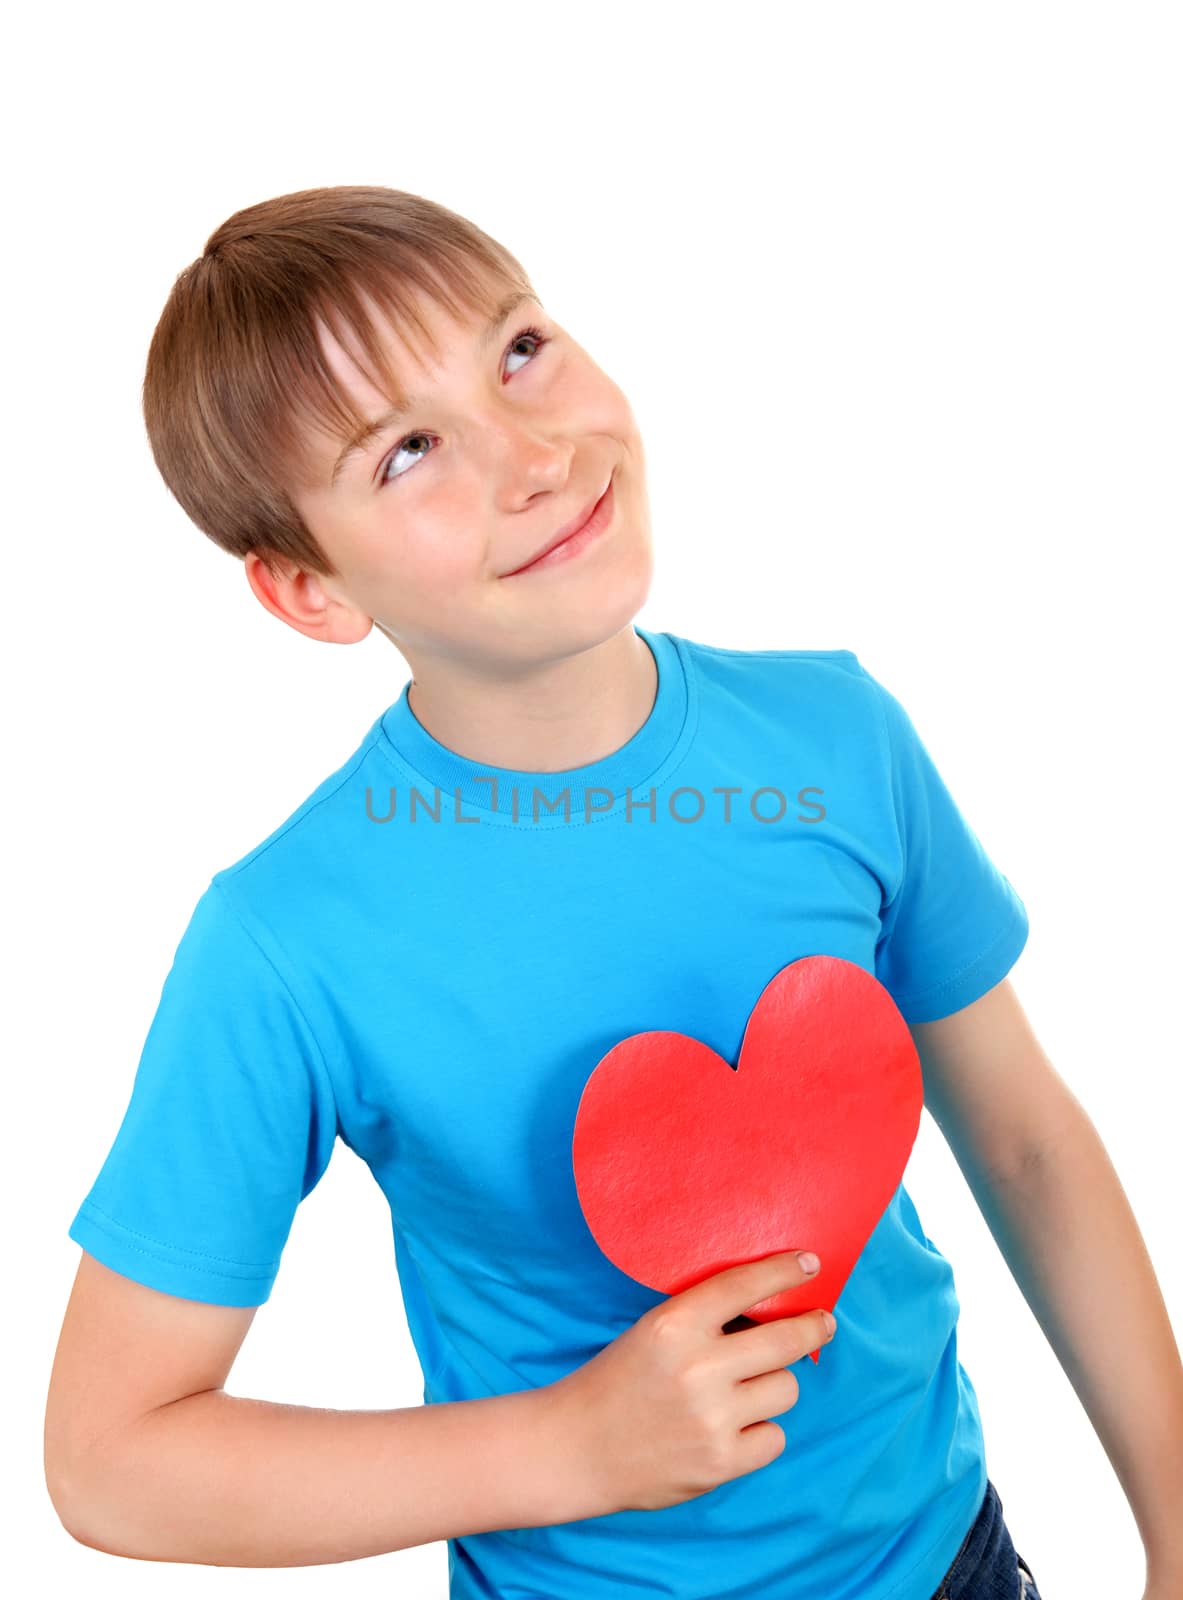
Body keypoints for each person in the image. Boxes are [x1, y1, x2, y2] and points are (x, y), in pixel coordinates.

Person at [44, 186, 1182, 1599]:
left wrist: (1177, 1530)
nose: (534, 456)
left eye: (517, 349)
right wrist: (575, 1447)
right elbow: (108, 1460)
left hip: (953, 1557)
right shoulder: (286, 942)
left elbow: (1024, 1143)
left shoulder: (840, 738)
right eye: (407, 452)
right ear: (310, 591)